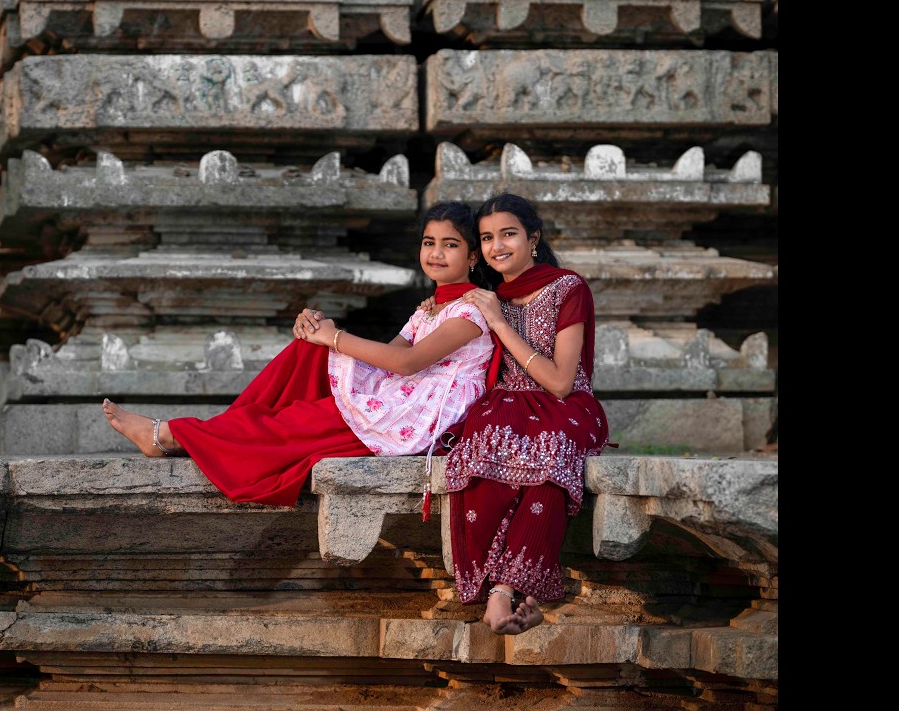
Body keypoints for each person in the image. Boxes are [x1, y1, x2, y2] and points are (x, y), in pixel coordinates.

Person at [101, 201, 498, 509]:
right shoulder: (431, 307)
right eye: (429, 243)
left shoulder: (471, 311)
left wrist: (335, 337)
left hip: (422, 414)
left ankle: (172, 434)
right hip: (401, 392)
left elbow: (406, 363)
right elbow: (388, 357)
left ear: (473, 256)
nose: (436, 253)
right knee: (308, 350)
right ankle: (217, 432)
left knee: (300, 415)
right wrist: (322, 333)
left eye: (450, 245)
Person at [432, 192, 610, 635]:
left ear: (533, 238)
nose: (497, 246)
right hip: (506, 404)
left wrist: (499, 322)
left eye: (508, 234)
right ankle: (510, 595)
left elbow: (561, 381)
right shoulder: (485, 296)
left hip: (566, 407)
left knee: (550, 454)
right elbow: (434, 323)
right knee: (477, 458)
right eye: (486, 237)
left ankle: (504, 591)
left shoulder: (568, 288)